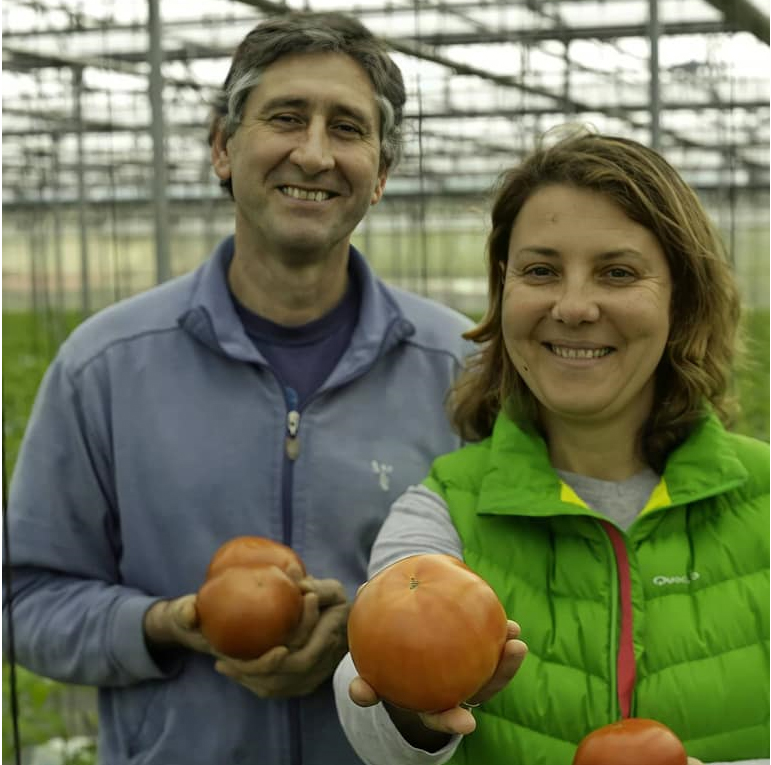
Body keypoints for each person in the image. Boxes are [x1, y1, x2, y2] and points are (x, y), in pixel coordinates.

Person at [2, 11, 475, 765]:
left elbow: (511, 592)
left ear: (380, 174)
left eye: (347, 128)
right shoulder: (106, 367)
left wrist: (369, 634)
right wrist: (160, 622)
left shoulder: (459, 369)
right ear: (223, 148)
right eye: (286, 118)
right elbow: (21, 599)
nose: (314, 153)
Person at [334, 128, 770, 765]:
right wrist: (414, 707)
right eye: (541, 271)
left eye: (617, 272)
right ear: (504, 291)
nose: (573, 306)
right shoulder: (442, 511)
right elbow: (367, 705)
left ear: (681, 298)